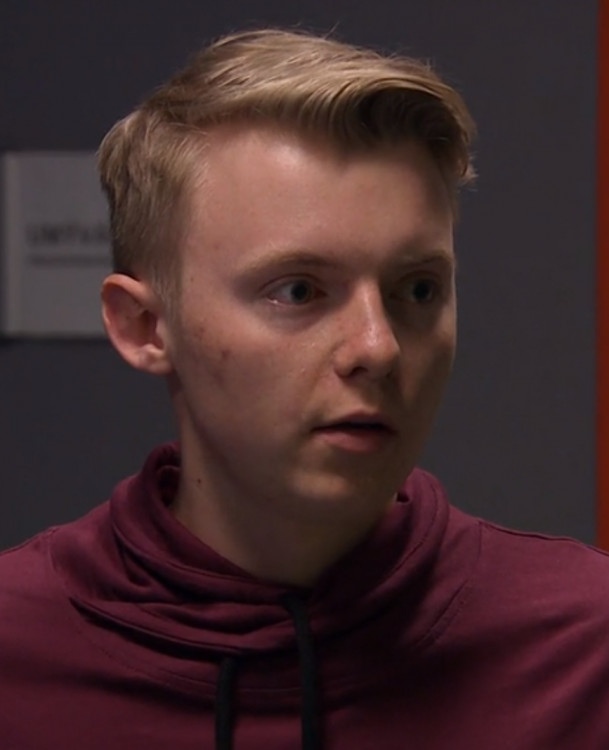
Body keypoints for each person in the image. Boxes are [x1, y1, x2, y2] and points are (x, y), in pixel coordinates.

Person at [1, 28, 609, 750]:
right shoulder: (19, 652)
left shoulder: (582, 645)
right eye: (297, 291)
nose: (377, 348)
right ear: (145, 327)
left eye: (418, 289)